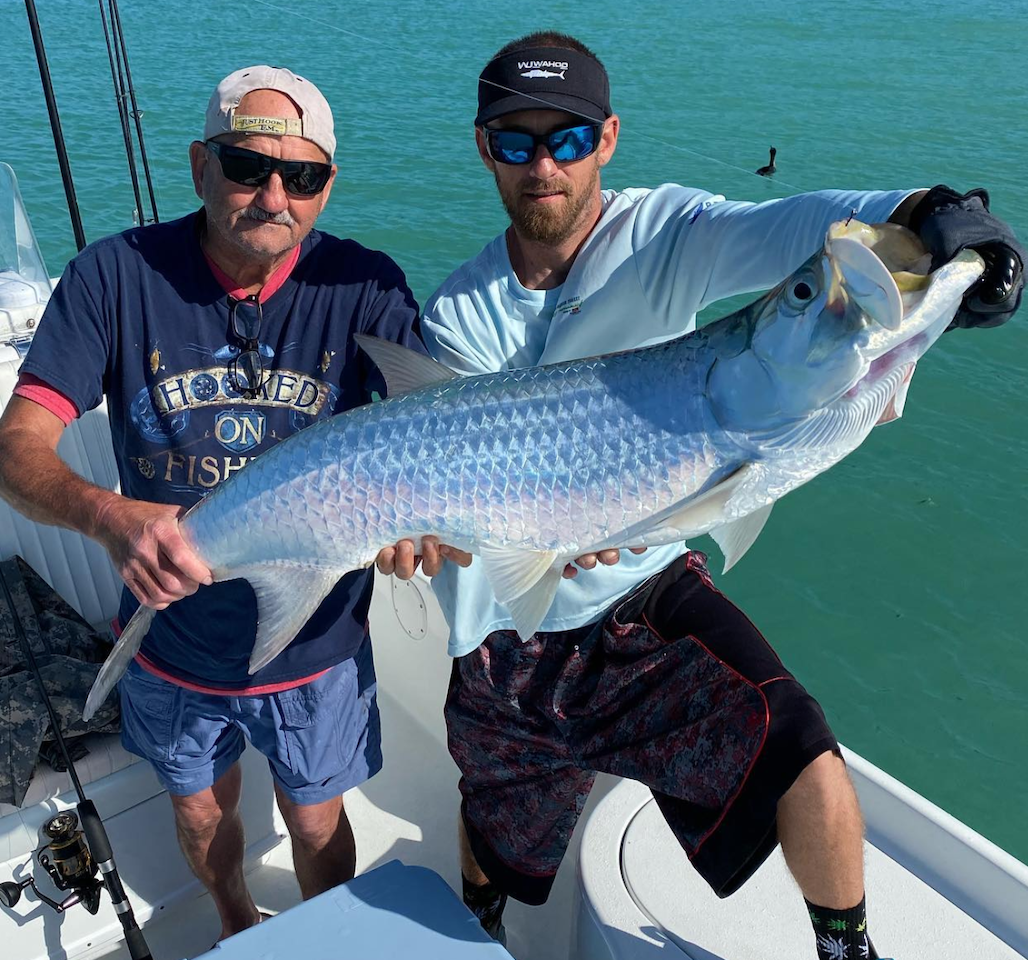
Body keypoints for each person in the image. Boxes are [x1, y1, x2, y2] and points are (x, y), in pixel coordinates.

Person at [420, 32, 1024, 959]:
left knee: (805, 754)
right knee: (495, 821)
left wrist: (929, 213)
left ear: (608, 138)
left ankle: (845, 949)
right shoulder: (458, 313)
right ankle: (478, 919)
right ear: (484, 149)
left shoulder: (666, 231)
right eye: (516, 141)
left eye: (569, 139)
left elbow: (797, 230)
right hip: (503, 625)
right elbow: (460, 488)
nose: (544, 165)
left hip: (641, 595)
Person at [0, 65, 465, 941]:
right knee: (205, 817)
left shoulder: (365, 287)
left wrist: (426, 524)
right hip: (174, 631)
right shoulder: (115, 278)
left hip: (319, 637)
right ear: (199, 166)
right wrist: (109, 517)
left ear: (327, 187)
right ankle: (236, 922)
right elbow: (15, 450)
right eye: (247, 166)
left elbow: (431, 437)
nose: (274, 195)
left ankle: (327, 939)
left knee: (320, 821)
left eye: (304, 176)